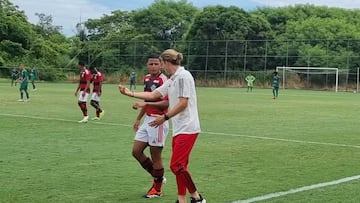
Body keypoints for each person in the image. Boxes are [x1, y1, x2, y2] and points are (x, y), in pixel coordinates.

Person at [118, 49, 206, 203]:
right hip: (179, 127)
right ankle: (182, 199)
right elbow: (154, 95)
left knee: (176, 165)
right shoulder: (174, 78)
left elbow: (183, 103)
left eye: (160, 63)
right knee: (180, 166)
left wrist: (164, 117)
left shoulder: (183, 77)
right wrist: (130, 93)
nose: (160, 67)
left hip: (188, 127)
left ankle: (197, 198)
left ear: (165, 62)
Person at [131, 54, 169, 198]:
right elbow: (147, 99)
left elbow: (166, 103)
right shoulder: (147, 78)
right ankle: (158, 177)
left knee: (156, 155)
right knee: (136, 151)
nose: (153, 66)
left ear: (161, 65)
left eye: (156, 64)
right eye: (151, 64)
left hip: (159, 121)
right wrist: (138, 119)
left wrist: (145, 104)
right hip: (147, 119)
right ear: (147, 65)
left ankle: (157, 190)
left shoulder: (165, 80)